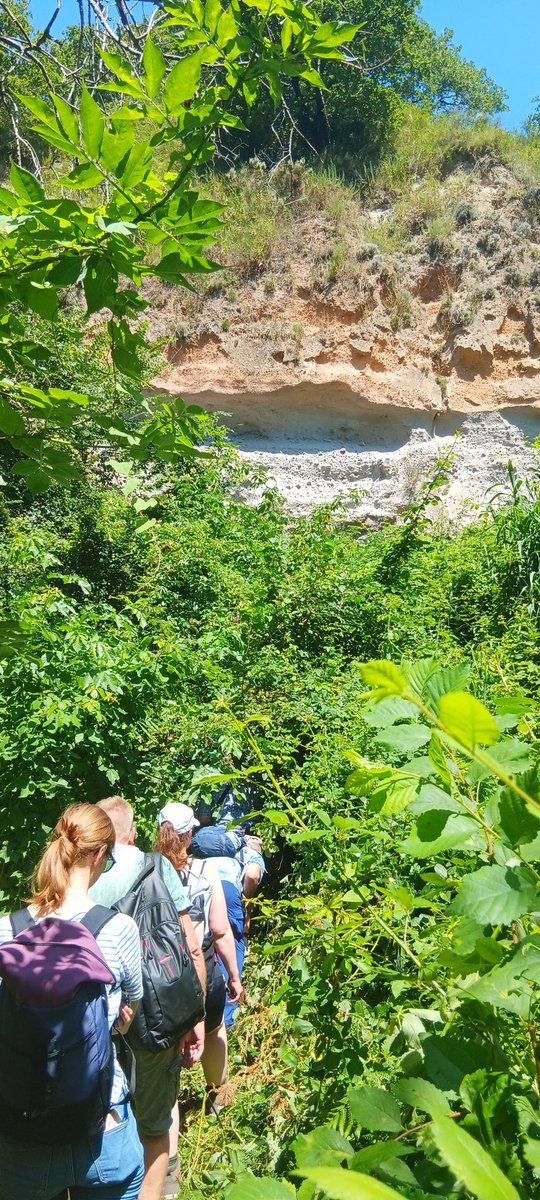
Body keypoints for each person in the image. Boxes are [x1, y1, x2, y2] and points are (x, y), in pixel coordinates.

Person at [0, 802, 144, 1200]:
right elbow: (133, 1007)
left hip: (20, 1131)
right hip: (101, 1128)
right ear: (99, 855)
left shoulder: (6, 930)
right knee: (129, 1175)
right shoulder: (118, 929)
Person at [89, 795, 206, 1200]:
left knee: (104, 1109)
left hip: (100, 1016)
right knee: (155, 1118)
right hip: (157, 1014)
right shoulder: (154, 866)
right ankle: (162, 1187)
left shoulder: (81, 873)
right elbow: (189, 947)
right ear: (133, 832)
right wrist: (194, 1018)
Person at [154, 802, 243, 1116]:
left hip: (160, 971)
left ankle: (166, 1112)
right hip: (203, 963)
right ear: (190, 834)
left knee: (166, 1047)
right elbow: (220, 931)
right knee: (215, 1029)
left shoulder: (146, 872)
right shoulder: (206, 872)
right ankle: (218, 1096)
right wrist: (234, 976)